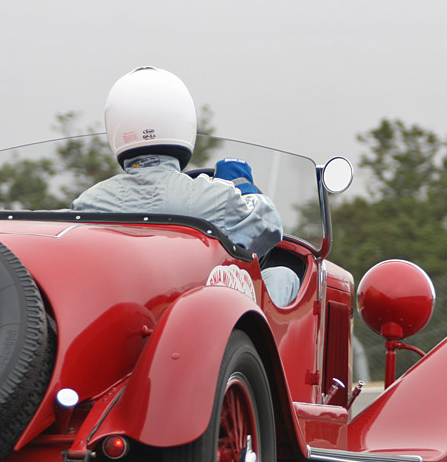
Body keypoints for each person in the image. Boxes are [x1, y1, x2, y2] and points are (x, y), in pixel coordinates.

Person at [71, 66, 300, 306]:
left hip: (118, 312)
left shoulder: (88, 203)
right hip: (198, 317)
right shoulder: (216, 198)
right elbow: (270, 226)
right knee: (283, 275)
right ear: (183, 121)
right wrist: (239, 182)